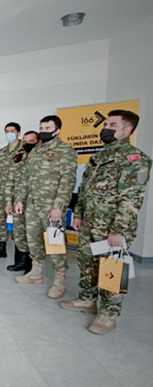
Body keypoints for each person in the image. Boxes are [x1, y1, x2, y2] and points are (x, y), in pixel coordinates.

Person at [60, 110, 151, 334]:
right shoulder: (99, 157)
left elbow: (131, 199)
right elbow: (84, 190)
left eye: (112, 125)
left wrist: (119, 230)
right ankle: (87, 299)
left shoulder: (135, 159)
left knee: (112, 268)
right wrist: (78, 214)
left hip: (113, 227)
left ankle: (109, 313)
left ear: (127, 130)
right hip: (90, 222)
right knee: (87, 263)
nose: (105, 128)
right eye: (106, 124)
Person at [14, 115, 77, 299]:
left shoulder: (65, 150)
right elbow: (26, 177)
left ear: (57, 131)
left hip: (51, 206)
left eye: (48, 128)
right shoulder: (37, 150)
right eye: (41, 128)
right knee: (33, 239)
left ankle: (59, 279)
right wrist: (20, 199)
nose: (43, 131)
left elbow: (67, 181)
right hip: (32, 204)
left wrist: (58, 206)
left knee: (54, 243)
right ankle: (36, 272)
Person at [5, 131, 39, 272]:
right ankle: (20, 261)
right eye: (24, 141)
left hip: (35, 202)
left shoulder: (41, 158)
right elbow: (10, 180)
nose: (27, 144)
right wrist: (8, 201)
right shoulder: (19, 157)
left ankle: (32, 266)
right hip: (17, 201)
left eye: (31, 141)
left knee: (32, 235)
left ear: (38, 141)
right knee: (18, 233)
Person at [0, 122, 23, 260]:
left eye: (12, 131)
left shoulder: (24, 150)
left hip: (18, 191)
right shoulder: (2, 152)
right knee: (0, 220)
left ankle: (19, 254)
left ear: (18, 133)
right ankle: (1, 248)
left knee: (18, 223)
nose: (9, 134)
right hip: (2, 191)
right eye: (7, 131)